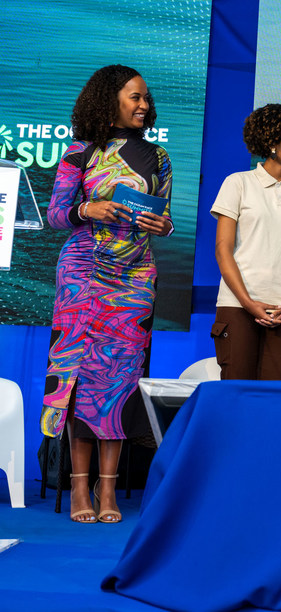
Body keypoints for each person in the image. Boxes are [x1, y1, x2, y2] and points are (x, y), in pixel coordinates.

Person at [40, 65, 173, 523]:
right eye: (135, 97)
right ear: (109, 99)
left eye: (146, 99)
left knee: (118, 381)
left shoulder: (157, 157)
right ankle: (79, 489)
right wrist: (87, 207)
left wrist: (163, 224)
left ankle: (108, 489)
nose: (144, 105)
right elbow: (55, 216)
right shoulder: (79, 152)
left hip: (135, 277)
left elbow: (165, 216)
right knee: (79, 378)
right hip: (83, 273)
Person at [210, 104, 281, 380]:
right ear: (272, 142)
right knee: (236, 393)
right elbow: (222, 250)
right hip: (238, 306)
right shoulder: (237, 183)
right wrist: (249, 303)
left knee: (274, 398)